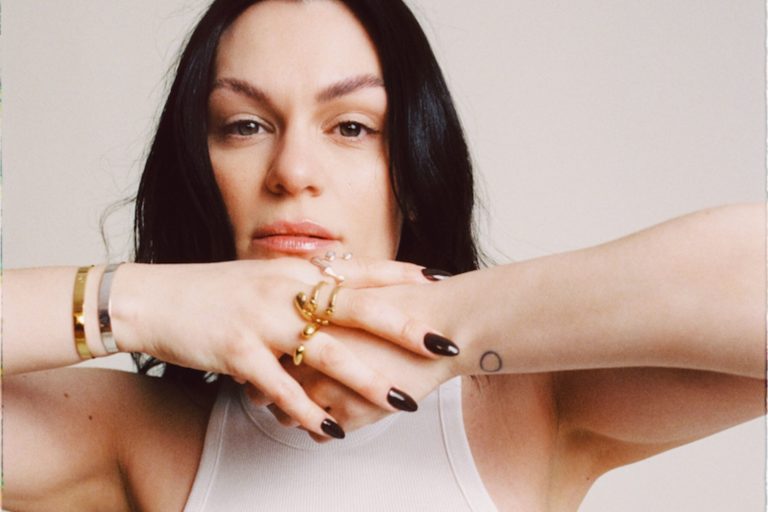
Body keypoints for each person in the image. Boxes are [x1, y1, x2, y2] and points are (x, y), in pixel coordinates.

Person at [3, 0, 764, 511]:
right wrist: (142, 301)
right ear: (198, 172)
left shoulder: (538, 406)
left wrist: (445, 323)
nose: (292, 170)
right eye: (243, 125)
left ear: (414, 174)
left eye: (352, 127)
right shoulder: (142, 437)